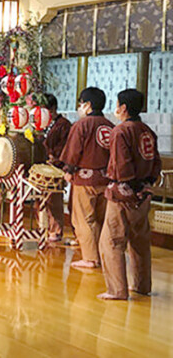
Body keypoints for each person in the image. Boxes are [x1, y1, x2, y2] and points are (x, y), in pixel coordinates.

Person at [98, 89, 161, 300]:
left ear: (123, 107)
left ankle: (117, 290)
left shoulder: (120, 131)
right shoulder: (147, 131)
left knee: (112, 241)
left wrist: (128, 186)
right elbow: (156, 162)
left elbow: (121, 164)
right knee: (140, 241)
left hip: (122, 194)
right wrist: (145, 185)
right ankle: (142, 285)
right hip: (144, 192)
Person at [60, 87, 114, 269]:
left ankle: (90, 258)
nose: (80, 107)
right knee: (100, 219)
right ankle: (100, 254)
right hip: (106, 179)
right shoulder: (110, 125)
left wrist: (69, 169)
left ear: (88, 105)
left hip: (85, 179)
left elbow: (74, 151)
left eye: (81, 103)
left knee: (83, 219)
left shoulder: (82, 125)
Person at [38, 94, 72, 242]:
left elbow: (66, 146)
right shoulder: (42, 123)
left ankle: (56, 230)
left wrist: (54, 158)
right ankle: (43, 228)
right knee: (40, 200)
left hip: (56, 167)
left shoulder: (63, 124)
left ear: (52, 109)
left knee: (54, 199)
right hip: (42, 166)